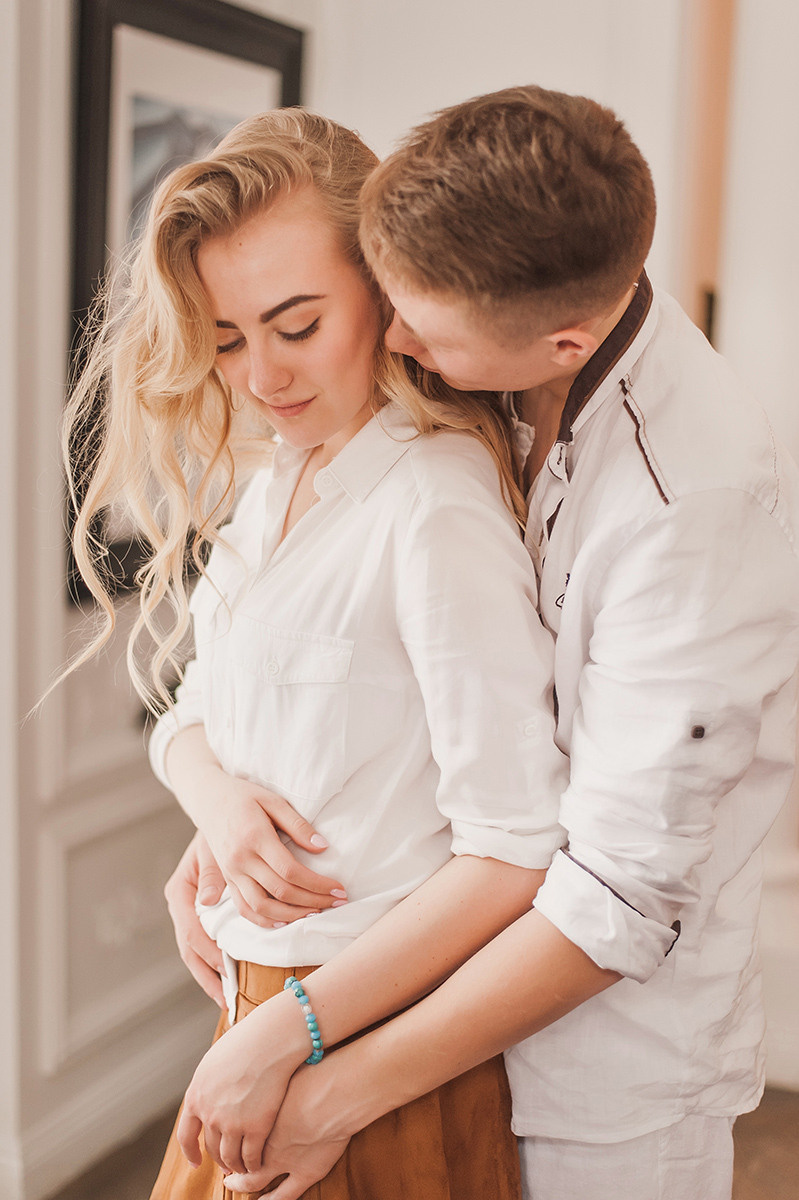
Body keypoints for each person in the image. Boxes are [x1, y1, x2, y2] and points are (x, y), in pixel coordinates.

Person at [166, 86, 799, 1200]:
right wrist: (226, 799)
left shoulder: (688, 503)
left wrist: (313, 1068)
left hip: (602, 1085)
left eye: (412, 323)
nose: (399, 341)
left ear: (560, 340)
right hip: (399, 1015)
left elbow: (612, 892)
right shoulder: (493, 362)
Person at [63, 107, 572, 1200]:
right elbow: (197, 704)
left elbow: (514, 852)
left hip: (361, 1042)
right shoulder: (274, 480)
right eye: (229, 337)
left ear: (384, 296)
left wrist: (289, 1028)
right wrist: (219, 807)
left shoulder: (432, 505)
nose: (260, 377)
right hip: (255, 1016)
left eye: (297, 325)